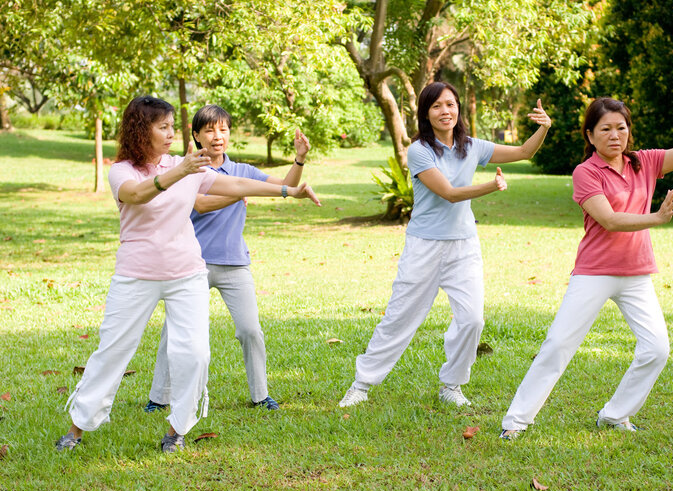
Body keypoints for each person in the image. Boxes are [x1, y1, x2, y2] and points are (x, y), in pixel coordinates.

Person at [55, 96, 320, 453]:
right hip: (137, 274)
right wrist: (180, 171)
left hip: (186, 272)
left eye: (170, 126)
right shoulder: (123, 171)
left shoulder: (184, 165)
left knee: (194, 353)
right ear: (140, 130)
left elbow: (237, 186)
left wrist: (289, 191)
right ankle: (77, 428)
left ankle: (175, 430)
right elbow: (136, 195)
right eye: (161, 127)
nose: (169, 133)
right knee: (113, 350)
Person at [500, 97, 673, 439]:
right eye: (606, 129)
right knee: (558, 345)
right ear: (591, 135)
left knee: (657, 349)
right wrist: (654, 218)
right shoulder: (585, 172)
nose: (615, 135)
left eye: (621, 128)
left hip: (636, 274)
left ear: (629, 131)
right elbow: (609, 220)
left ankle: (615, 415)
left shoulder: (646, 162)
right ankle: (516, 422)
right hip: (594, 273)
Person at [338, 81, 552, 408]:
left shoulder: (472, 146)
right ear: (426, 113)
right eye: (437, 106)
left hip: (464, 246)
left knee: (472, 320)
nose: (445, 111)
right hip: (424, 246)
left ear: (458, 109)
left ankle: (451, 384)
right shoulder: (419, 150)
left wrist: (544, 129)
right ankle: (362, 384)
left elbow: (524, 152)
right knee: (400, 317)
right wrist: (491, 187)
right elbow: (449, 193)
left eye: (450, 104)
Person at [144, 105, 310, 413]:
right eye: (209, 130)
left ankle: (260, 394)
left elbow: (284, 184)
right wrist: (241, 192)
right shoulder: (185, 168)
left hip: (235, 263)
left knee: (250, 331)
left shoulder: (243, 171)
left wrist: (298, 159)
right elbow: (203, 204)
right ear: (196, 136)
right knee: (174, 331)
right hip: (193, 264)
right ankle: (159, 397)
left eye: (223, 129)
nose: (217, 136)